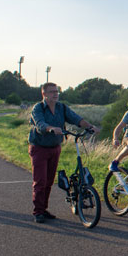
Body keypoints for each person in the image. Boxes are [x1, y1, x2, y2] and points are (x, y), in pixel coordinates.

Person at [28, 82, 99, 223]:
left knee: (49, 181)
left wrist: (90, 126)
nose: (55, 94)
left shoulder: (62, 107)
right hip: (39, 148)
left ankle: (44, 209)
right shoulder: (38, 108)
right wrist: (51, 128)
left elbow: (76, 118)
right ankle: (38, 212)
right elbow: (40, 124)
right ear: (44, 94)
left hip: (55, 148)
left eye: (56, 91)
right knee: (40, 181)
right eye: (51, 92)